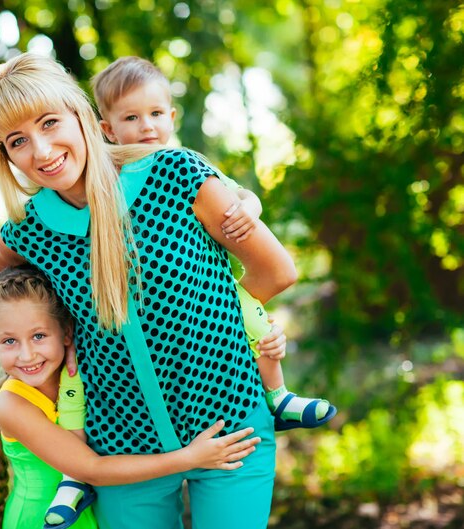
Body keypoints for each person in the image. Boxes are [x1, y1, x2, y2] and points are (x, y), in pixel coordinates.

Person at [0, 52, 292, 529]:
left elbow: (275, 272)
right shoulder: (29, 231)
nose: (41, 151)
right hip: (122, 445)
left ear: (81, 114)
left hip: (231, 421)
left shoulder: (176, 175)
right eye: (18, 141)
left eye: (50, 123)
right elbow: (12, 295)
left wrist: (230, 328)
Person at [91, 56, 336, 432]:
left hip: (214, 288)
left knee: (257, 327)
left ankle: (279, 396)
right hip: (146, 310)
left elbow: (241, 194)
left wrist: (250, 208)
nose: (147, 127)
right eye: (131, 118)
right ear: (108, 129)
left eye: (156, 113)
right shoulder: (107, 179)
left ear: (172, 117)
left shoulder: (184, 164)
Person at [0, 264, 260, 529]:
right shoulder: (13, 404)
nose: (27, 354)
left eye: (39, 336)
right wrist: (190, 457)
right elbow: (90, 468)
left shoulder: (87, 371)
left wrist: (264, 337)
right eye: (9, 341)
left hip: (92, 517)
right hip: (41, 521)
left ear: (67, 332)